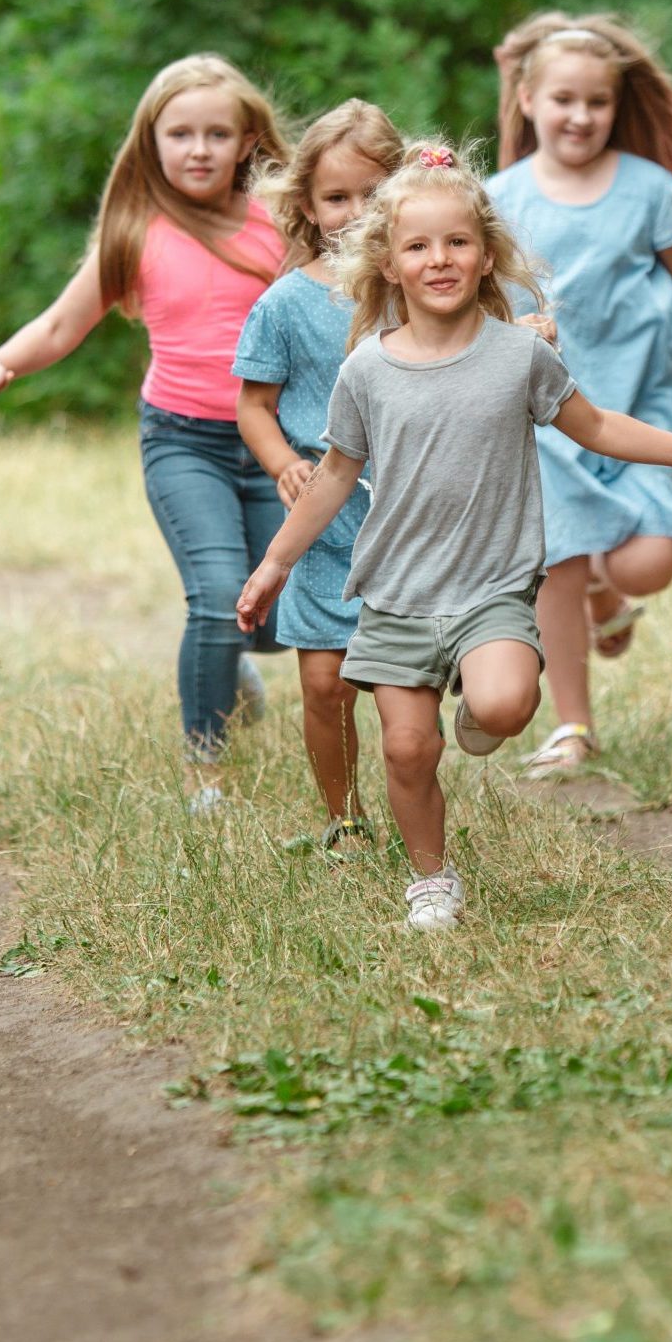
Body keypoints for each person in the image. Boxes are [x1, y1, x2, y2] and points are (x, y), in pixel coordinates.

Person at [237, 143, 672, 930]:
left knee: (507, 704)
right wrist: (276, 562)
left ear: (486, 255)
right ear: (386, 262)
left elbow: (597, 427)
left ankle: (482, 710)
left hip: (490, 586)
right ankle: (430, 878)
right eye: (417, 245)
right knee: (408, 751)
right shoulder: (366, 370)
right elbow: (337, 474)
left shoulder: (520, 354)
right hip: (395, 594)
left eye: (456, 242)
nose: (438, 259)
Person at [0, 55, 290, 813]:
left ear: (246, 141)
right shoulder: (136, 230)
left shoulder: (281, 218)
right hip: (183, 441)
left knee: (276, 614)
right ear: (151, 142)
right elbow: (61, 323)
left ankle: (237, 662)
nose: (197, 149)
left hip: (274, 441)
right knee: (214, 596)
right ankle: (206, 769)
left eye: (215, 133)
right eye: (179, 133)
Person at [489, 14, 672, 776]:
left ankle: (604, 594)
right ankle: (573, 725)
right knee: (559, 556)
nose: (579, 116)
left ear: (616, 106)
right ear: (526, 99)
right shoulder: (496, 198)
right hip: (549, 413)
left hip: (646, 401)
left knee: (645, 563)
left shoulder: (648, 190)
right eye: (562, 99)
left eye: (595, 101)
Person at [234, 101, 403, 849]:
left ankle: (413, 803)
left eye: (373, 193)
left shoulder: (423, 287)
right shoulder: (283, 305)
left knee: (403, 689)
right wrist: (283, 462)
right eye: (337, 197)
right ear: (306, 203)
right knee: (324, 684)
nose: (356, 212)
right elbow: (254, 406)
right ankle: (345, 817)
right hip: (323, 518)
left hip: (409, 518)